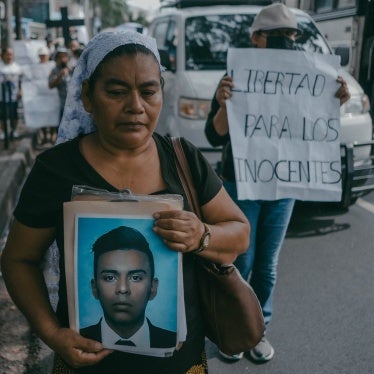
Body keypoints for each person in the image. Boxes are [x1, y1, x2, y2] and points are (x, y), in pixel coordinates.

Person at [1, 30, 249, 373]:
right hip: (85, 365)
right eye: (116, 92)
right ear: (87, 96)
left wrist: (201, 235)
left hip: (181, 363)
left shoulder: (184, 160)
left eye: (148, 91)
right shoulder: (55, 171)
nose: (136, 106)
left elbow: (239, 233)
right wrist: (52, 333)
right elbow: (18, 259)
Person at [204, 3, 350, 363]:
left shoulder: (311, 73)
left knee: (267, 263)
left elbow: (315, 129)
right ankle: (232, 329)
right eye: (279, 36)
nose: (288, 42)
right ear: (256, 38)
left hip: (283, 187)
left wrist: (337, 101)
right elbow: (215, 133)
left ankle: (258, 330)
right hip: (242, 184)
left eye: (292, 36)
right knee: (242, 260)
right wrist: (224, 102)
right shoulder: (235, 76)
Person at [80, 225, 177, 349]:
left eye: (135, 278)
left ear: (153, 288)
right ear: (94, 288)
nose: (122, 288)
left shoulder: (173, 343)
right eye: (109, 278)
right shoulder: (77, 340)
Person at [0, 47, 23, 140]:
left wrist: (20, 90)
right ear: (3, 55)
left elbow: (21, 81)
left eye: (11, 54)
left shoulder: (17, 67)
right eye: (7, 54)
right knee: (2, 115)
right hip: (1, 96)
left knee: (14, 114)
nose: (9, 56)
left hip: (14, 95)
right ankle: (2, 132)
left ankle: (13, 131)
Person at [48, 47, 72, 123]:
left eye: (64, 56)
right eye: (60, 57)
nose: (62, 59)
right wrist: (60, 76)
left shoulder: (73, 68)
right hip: (62, 104)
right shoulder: (54, 71)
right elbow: (50, 85)